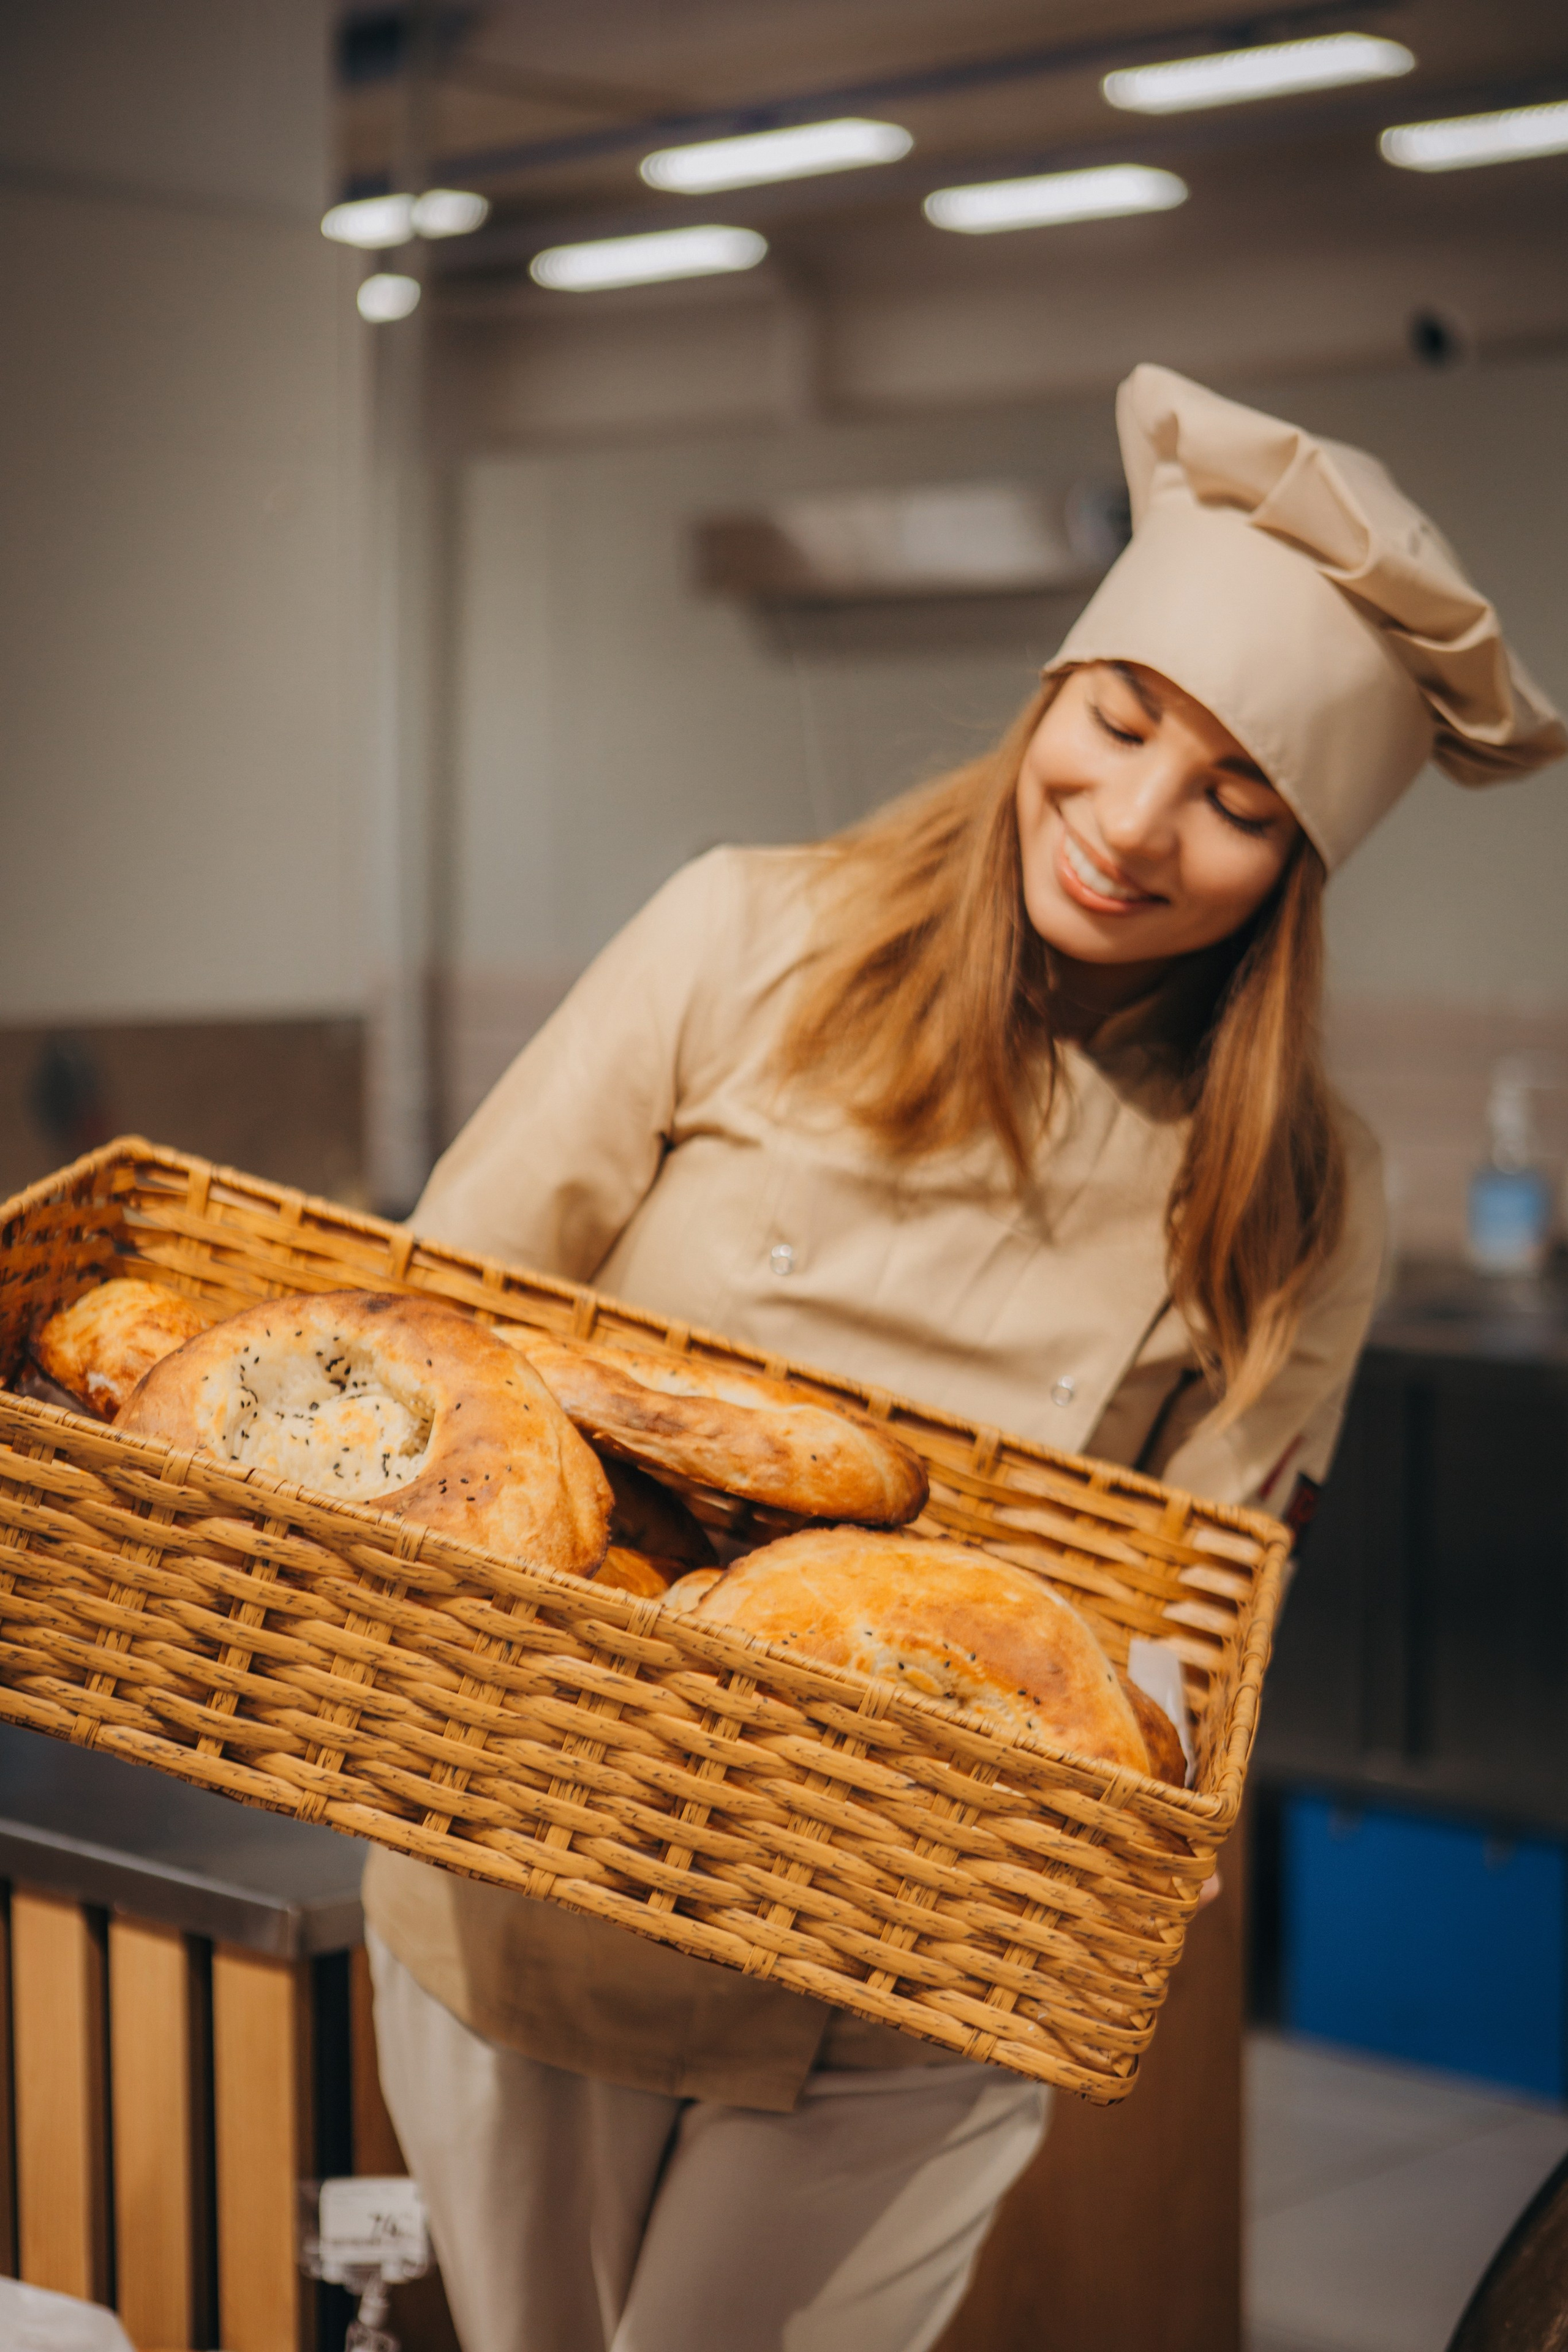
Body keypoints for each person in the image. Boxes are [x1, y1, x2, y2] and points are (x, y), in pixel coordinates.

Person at [363, 364, 1565, 2352]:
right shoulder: (741, 938)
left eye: (1238, 804)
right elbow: (438, 1338)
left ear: (1301, 869)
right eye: (1114, 726)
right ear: (1052, 696)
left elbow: (1190, 1625)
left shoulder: (1299, 1194)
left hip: (910, 1959)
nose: (1133, 826)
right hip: (532, 1874)